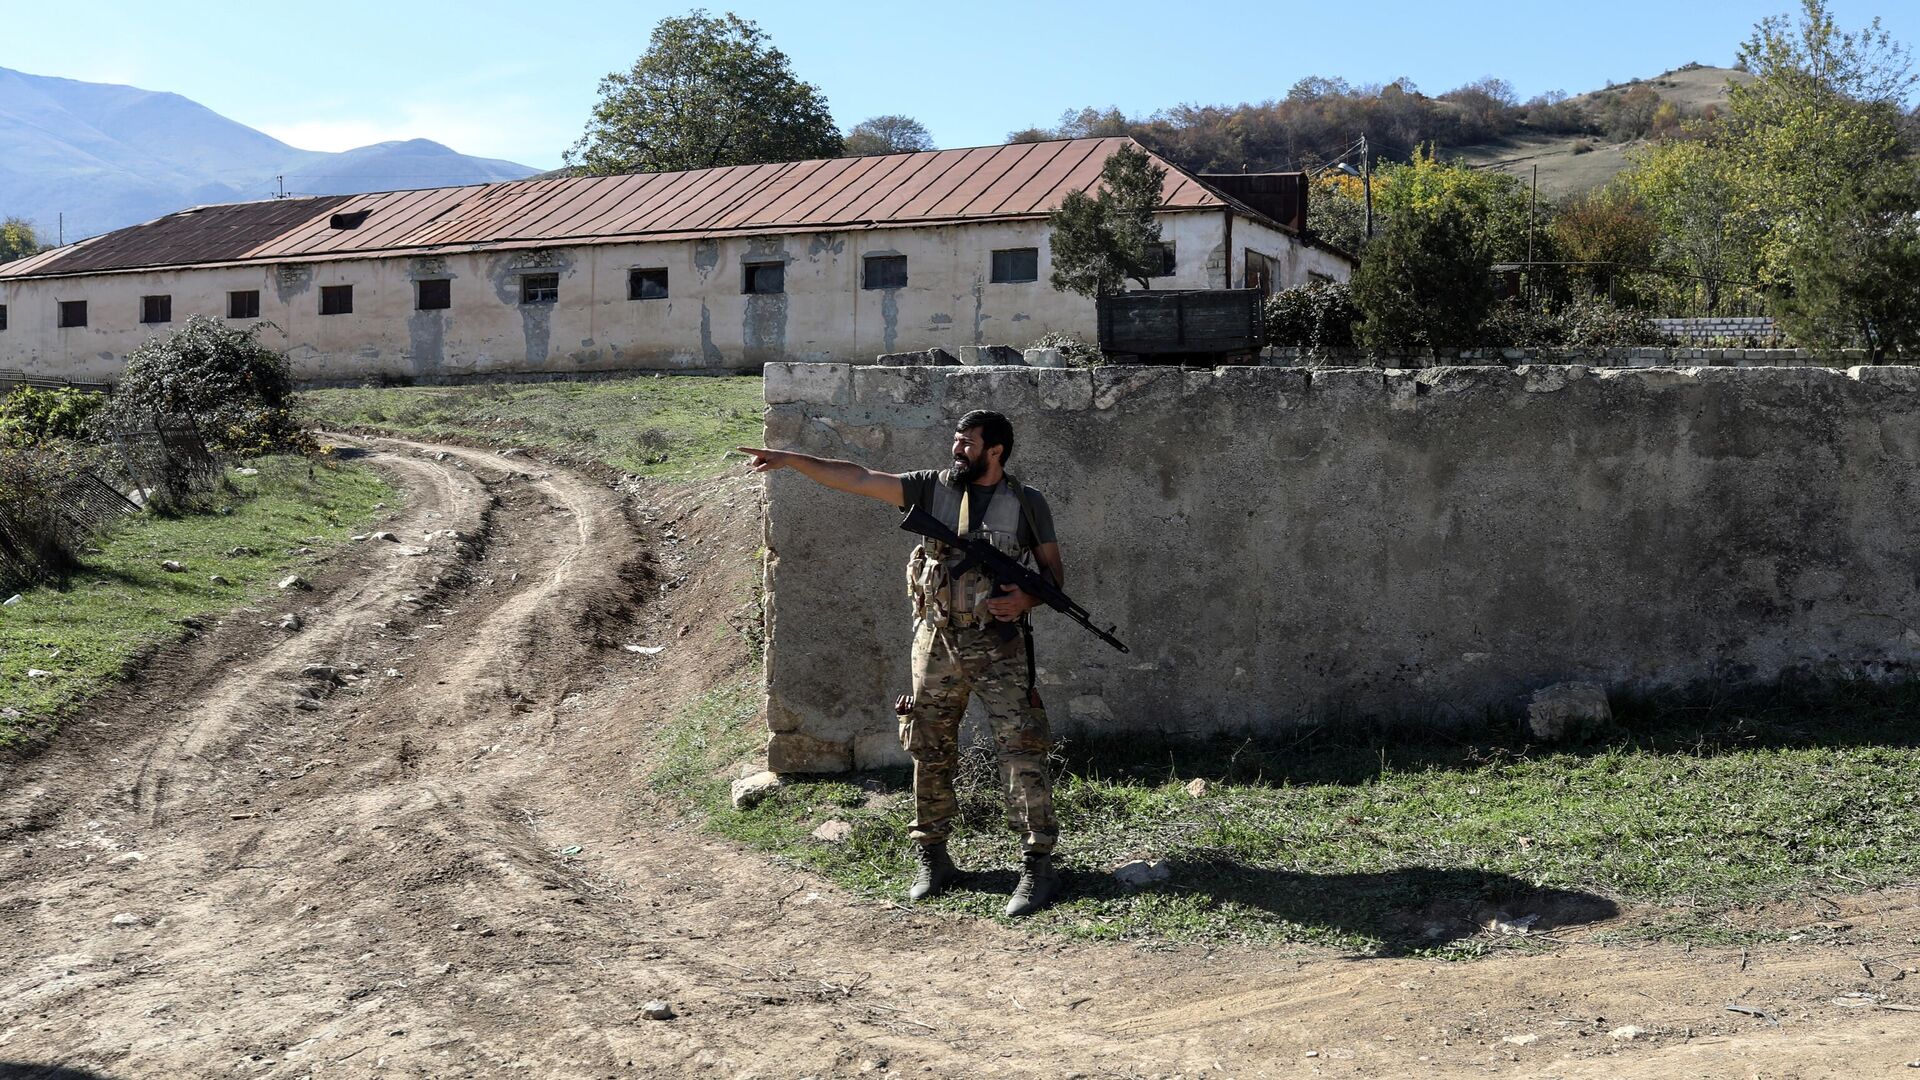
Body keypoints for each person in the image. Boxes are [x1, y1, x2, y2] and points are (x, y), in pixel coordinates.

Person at [738, 410, 1066, 916]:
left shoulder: (1027, 502)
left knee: (1021, 749)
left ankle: (1036, 864)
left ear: (995, 450)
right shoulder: (930, 488)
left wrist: (1025, 602)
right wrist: (791, 461)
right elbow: (858, 477)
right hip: (934, 642)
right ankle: (934, 859)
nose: (957, 450)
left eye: (968, 443)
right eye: (955, 441)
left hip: (998, 646)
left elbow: (1052, 578)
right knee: (928, 745)